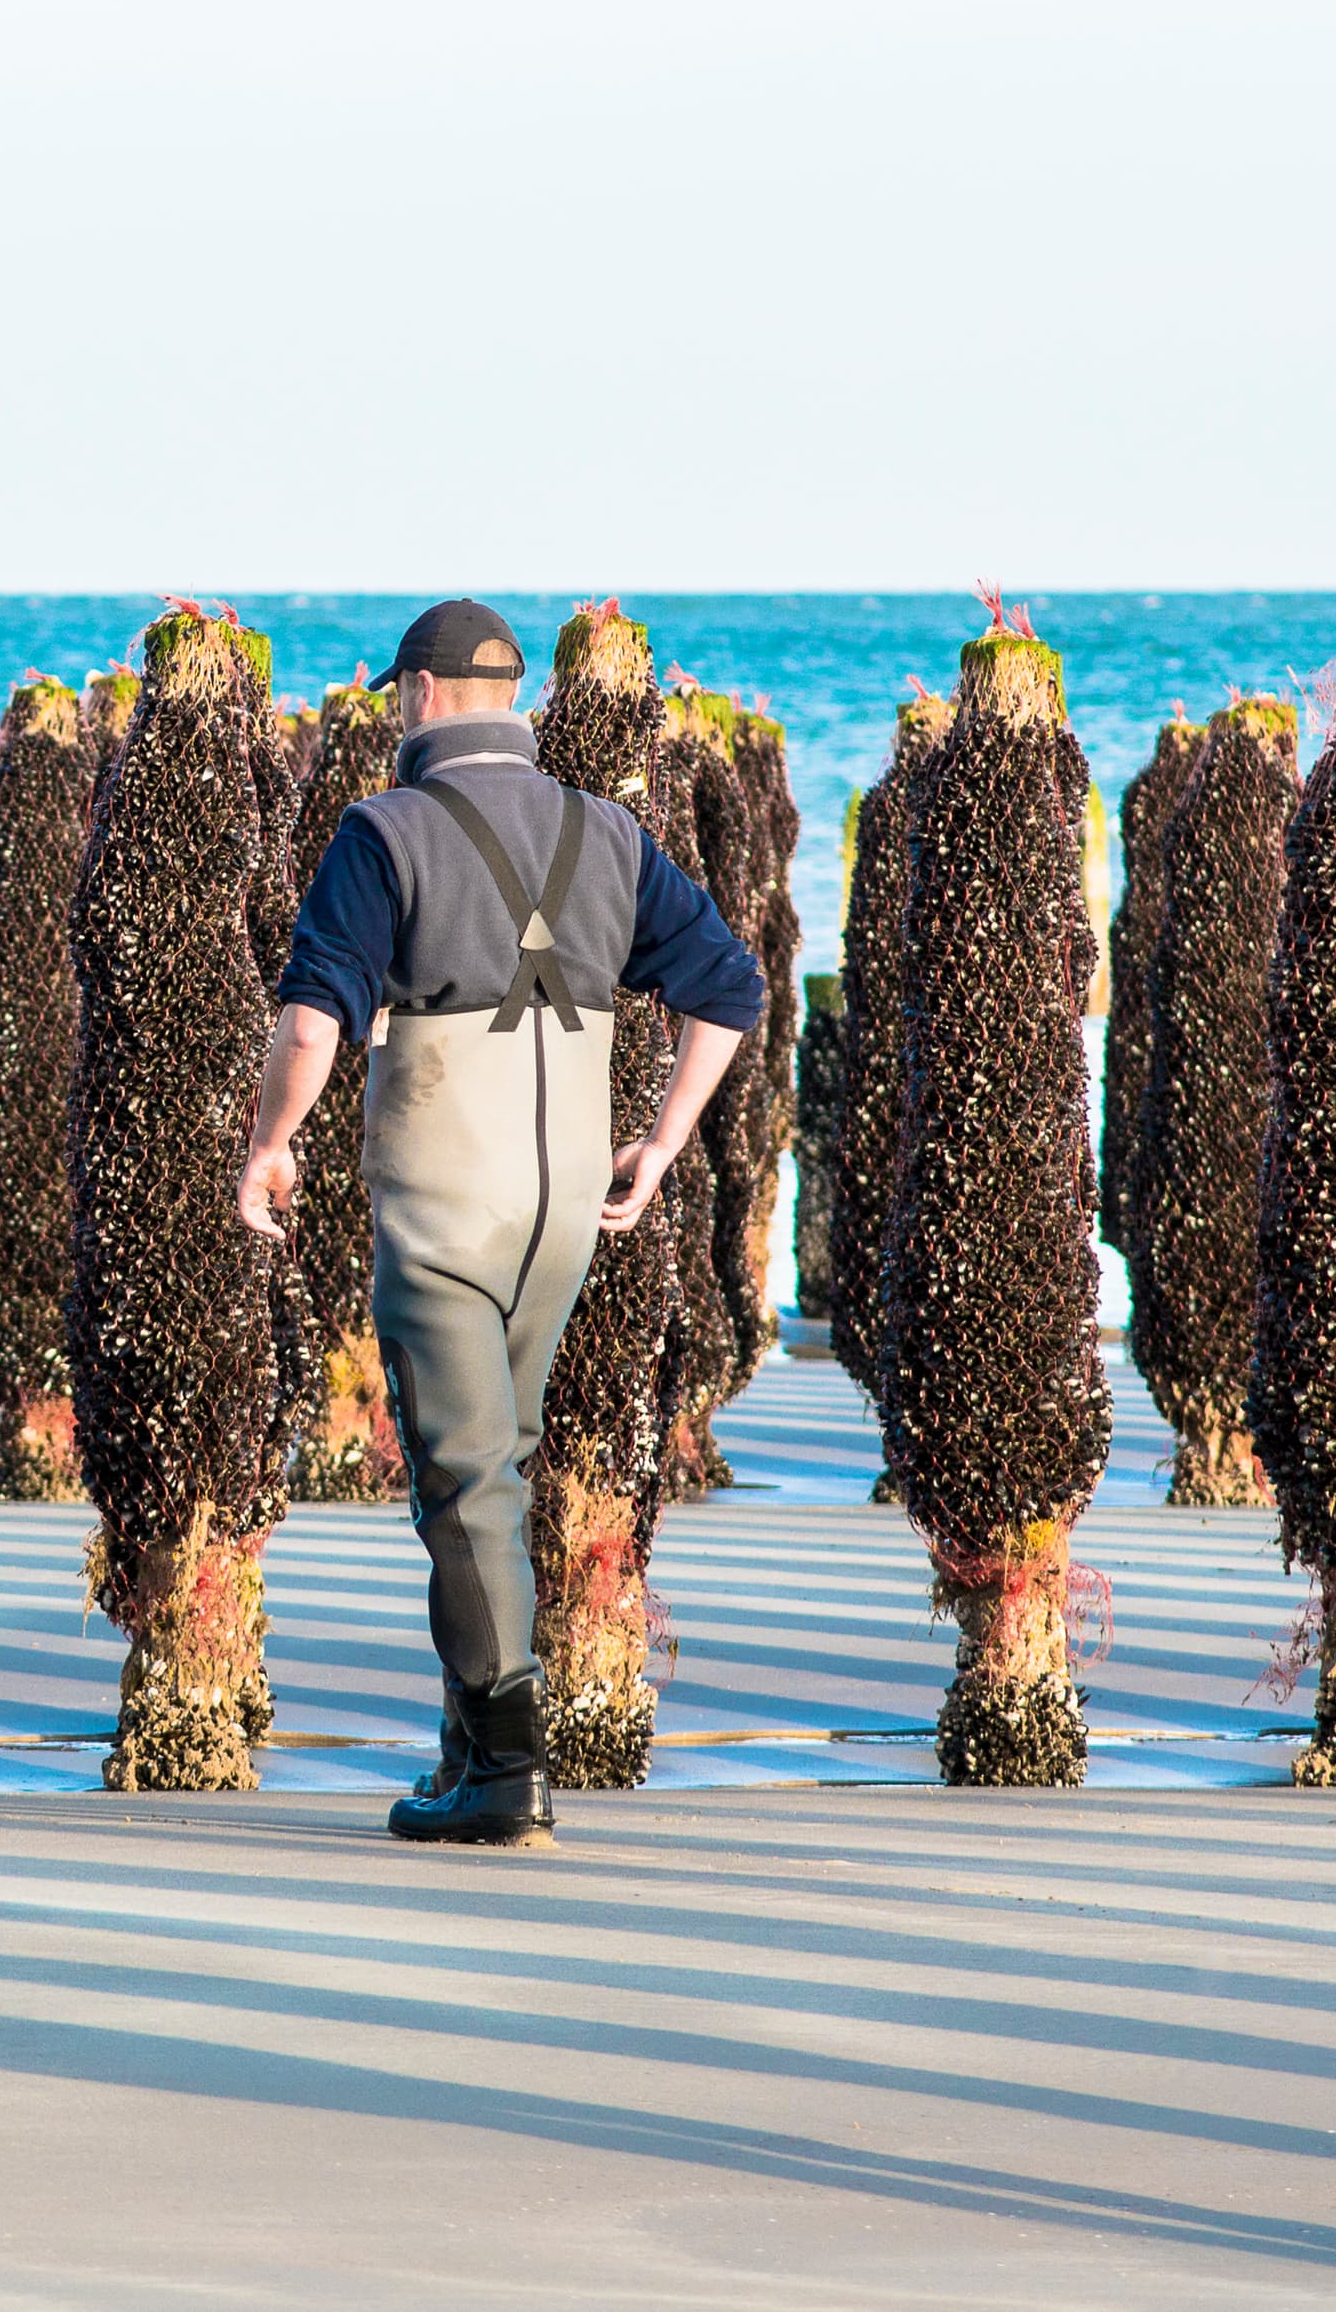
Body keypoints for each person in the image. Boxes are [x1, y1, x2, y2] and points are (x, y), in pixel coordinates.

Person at [238, 600, 764, 1844]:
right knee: (498, 1464)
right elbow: (732, 988)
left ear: (421, 693)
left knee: (466, 1481)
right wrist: (661, 1141)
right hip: (561, 1209)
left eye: (395, 693)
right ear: (513, 697)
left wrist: (269, 1143)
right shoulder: (609, 832)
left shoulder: (385, 831)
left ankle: (508, 1770)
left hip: (444, 1201)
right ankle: (467, 1750)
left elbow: (313, 1018)